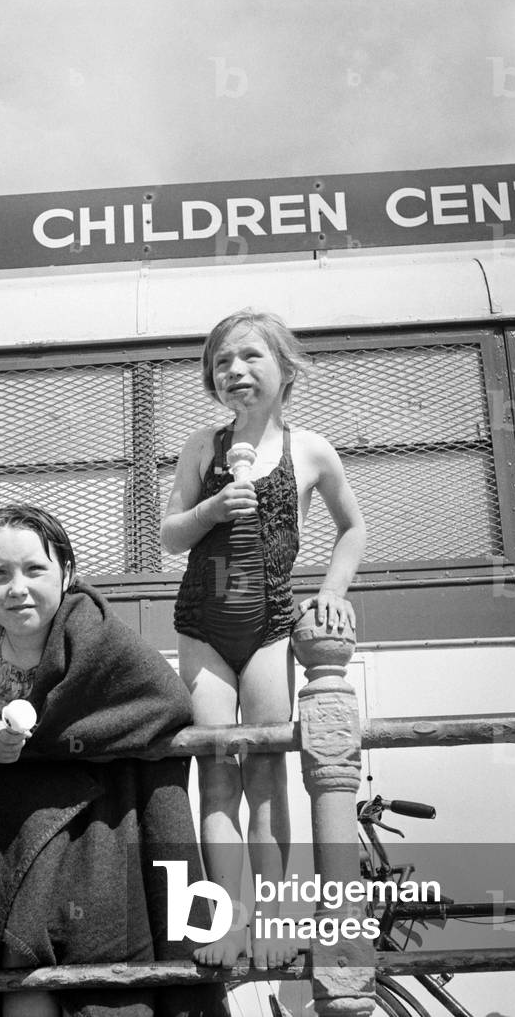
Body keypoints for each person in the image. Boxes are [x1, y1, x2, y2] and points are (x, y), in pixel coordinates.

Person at [0, 504, 227, 1017]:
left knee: (95, 963)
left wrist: (53, 739)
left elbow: (163, 704)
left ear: (67, 573)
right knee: (13, 971)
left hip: (91, 820)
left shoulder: (93, 631)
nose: (17, 588)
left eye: (35, 569)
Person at [160, 309, 366, 971]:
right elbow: (170, 536)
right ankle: (230, 914)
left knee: (268, 773)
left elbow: (351, 527)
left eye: (250, 357)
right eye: (222, 362)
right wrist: (210, 510)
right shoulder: (203, 446)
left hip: (270, 625)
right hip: (204, 628)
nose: (235, 370)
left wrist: (332, 590)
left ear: (286, 370)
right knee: (216, 773)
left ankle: (275, 908)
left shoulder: (309, 450)